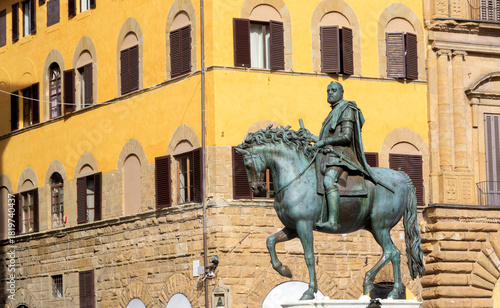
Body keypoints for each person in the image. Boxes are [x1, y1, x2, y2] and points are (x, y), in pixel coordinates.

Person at [313, 81, 375, 230]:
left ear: (341, 93)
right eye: (328, 91)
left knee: (328, 181)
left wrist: (323, 142)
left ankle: (333, 221)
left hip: (342, 157)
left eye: (334, 90)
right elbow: (324, 139)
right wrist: (310, 137)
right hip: (330, 155)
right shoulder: (333, 112)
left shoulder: (347, 109)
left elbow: (346, 137)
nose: (330, 93)